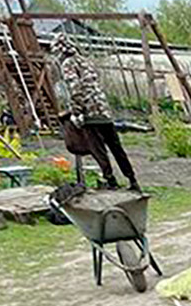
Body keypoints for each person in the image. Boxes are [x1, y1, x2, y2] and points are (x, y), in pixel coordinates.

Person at [50, 33, 141, 192]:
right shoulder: (86, 61)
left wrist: (76, 111)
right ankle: (132, 180)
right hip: (104, 110)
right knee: (116, 147)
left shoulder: (68, 64)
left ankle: (110, 180)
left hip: (90, 113)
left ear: (59, 51)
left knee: (98, 149)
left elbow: (75, 87)